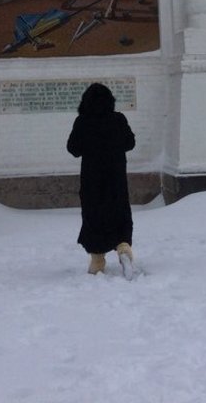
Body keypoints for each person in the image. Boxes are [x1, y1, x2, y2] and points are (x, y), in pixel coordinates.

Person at [66, 82, 136, 276]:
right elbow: (130, 143)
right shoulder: (118, 119)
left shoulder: (82, 121)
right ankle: (123, 248)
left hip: (92, 182)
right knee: (119, 213)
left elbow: (73, 149)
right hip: (116, 179)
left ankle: (97, 261)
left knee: (94, 217)